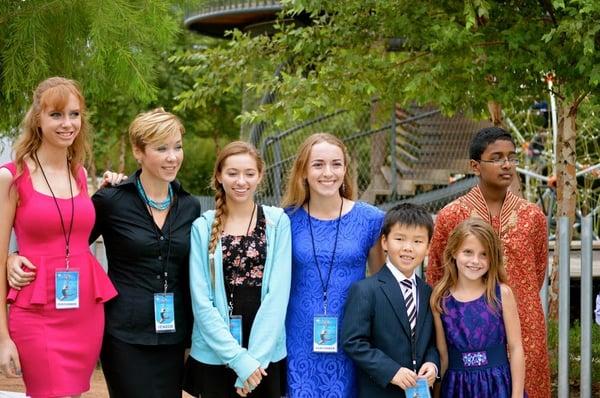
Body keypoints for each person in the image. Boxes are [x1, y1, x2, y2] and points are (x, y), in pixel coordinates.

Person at [9, 108, 201, 396]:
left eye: (177, 147)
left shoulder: (191, 207)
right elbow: (65, 238)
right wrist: (12, 255)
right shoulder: (112, 201)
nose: (172, 156)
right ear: (138, 151)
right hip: (123, 332)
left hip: (173, 335)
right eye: (161, 148)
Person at [0, 77, 117, 397]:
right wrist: (1, 338)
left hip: (83, 312)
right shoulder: (11, 177)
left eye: (74, 114)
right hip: (36, 312)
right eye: (57, 115)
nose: (68, 124)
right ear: (37, 117)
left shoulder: (79, 174)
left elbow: (72, 227)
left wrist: (111, 192)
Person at [426, 127, 549, 398]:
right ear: (475, 166)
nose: (507, 164)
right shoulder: (451, 216)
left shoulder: (533, 217)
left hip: (526, 332)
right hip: (469, 339)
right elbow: (436, 274)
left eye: (512, 157)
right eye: (496, 158)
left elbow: (537, 272)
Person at [282, 133, 386, 398]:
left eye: (336, 164)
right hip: (298, 338)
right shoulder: (284, 221)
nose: (328, 173)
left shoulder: (371, 219)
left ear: (345, 169)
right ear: (303, 171)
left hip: (352, 338)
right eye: (318, 164)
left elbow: (382, 285)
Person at [184, 141, 291, 398]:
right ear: (219, 176)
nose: (241, 181)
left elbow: (277, 297)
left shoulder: (278, 223)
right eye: (232, 173)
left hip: (264, 357)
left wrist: (253, 361)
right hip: (216, 352)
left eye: (249, 173)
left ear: (260, 177)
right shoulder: (203, 227)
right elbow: (201, 303)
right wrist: (238, 360)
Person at [342, 203, 439, 397]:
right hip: (380, 391)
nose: (408, 248)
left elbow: (431, 342)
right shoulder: (365, 290)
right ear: (385, 242)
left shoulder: (428, 292)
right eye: (399, 239)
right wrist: (391, 371)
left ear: (428, 247)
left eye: (417, 241)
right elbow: (353, 342)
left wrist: (432, 365)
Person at [430, 218, 525, 397]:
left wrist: (517, 394)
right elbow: (443, 356)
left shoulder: (501, 294)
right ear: (453, 252)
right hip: (456, 388)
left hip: (498, 386)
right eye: (468, 252)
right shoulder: (440, 298)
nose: (475, 261)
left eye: (484, 254)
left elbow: (515, 348)